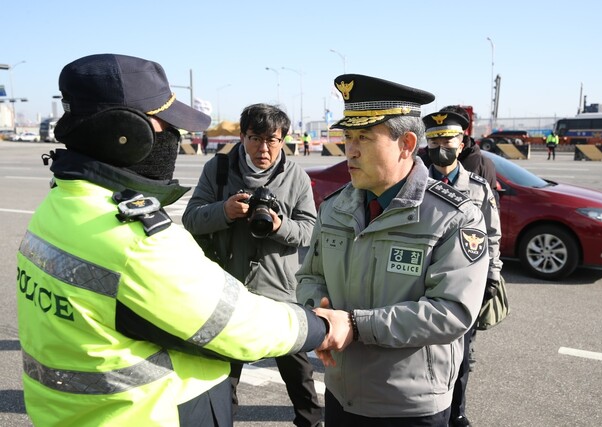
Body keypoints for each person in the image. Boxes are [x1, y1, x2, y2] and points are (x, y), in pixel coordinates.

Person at [16, 54, 330, 427]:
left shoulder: (56, 207)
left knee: (301, 386)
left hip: (65, 415)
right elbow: (238, 326)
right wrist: (321, 325)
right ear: (127, 133)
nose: (174, 138)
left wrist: (278, 225)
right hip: (142, 416)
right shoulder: (138, 240)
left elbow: (307, 228)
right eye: (166, 126)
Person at [297, 74, 490, 426]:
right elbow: (310, 276)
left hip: (409, 406)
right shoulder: (334, 207)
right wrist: (321, 314)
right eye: (348, 137)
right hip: (342, 394)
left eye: (365, 138)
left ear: (407, 143)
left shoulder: (452, 217)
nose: (350, 150)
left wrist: (355, 325)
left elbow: (453, 311)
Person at [182, 103, 322, 427]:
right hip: (227, 291)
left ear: (283, 140)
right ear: (242, 137)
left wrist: (278, 226)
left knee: (300, 378)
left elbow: (309, 231)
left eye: (272, 139)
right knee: (221, 381)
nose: (264, 148)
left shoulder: (296, 177)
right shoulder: (217, 171)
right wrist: (225, 212)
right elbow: (191, 218)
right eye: (255, 138)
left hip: (280, 294)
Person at [423, 110, 503, 427]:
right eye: (434, 139)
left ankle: (457, 411)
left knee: (463, 353)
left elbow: (492, 235)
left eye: (447, 138)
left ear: (461, 142)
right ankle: (428, 410)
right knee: (425, 349)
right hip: (424, 280)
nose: (441, 144)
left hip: (467, 283)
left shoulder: (480, 188)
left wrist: (493, 275)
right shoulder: (413, 183)